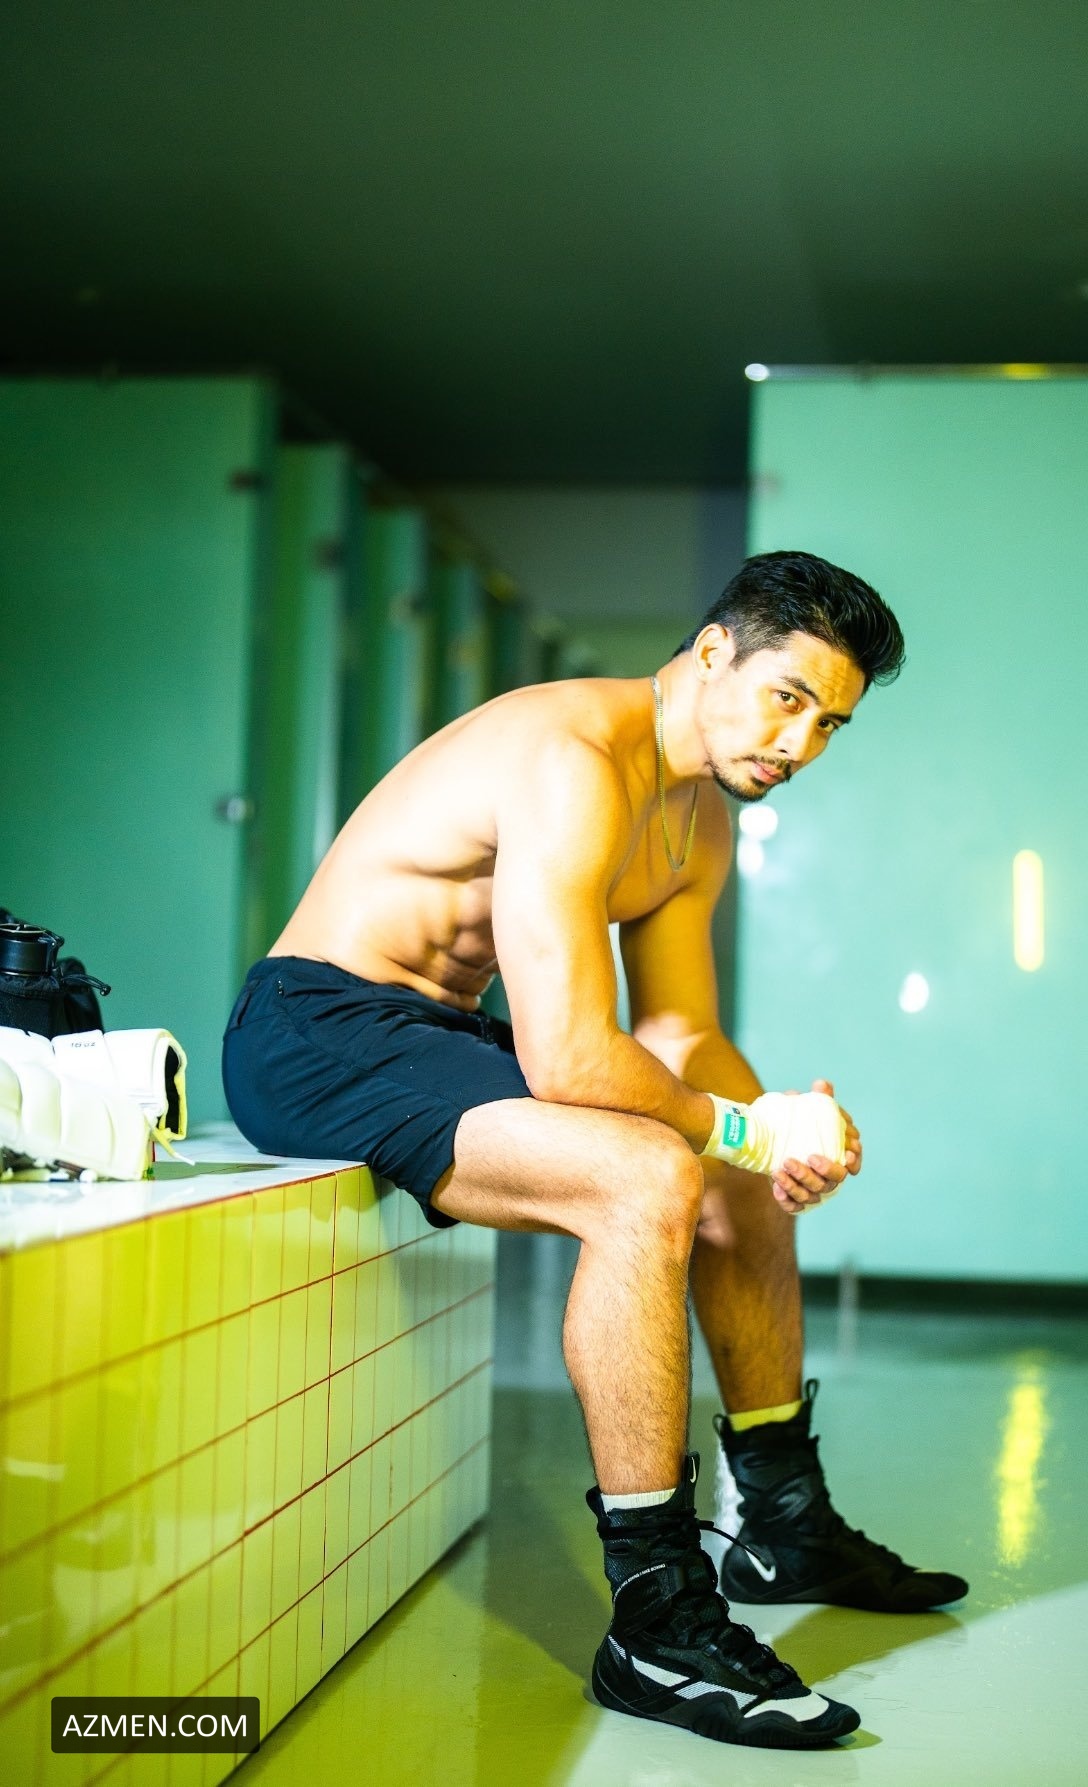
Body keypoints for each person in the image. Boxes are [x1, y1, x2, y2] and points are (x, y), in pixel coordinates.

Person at [223, 549, 966, 1751]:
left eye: (829, 722)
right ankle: (656, 1616)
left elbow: (680, 1036)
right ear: (712, 651)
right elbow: (571, 1053)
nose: (801, 743)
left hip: (441, 1034)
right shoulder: (571, 756)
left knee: (732, 1177)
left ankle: (784, 1520)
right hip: (319, 1030)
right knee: (649, 1173)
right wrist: (736, 1128)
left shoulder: (695, 819)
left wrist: (777, 1131)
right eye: (786, 698)